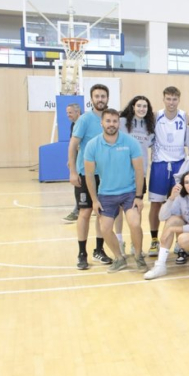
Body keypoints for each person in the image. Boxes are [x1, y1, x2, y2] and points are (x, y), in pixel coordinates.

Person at [83, 108, 145, 273]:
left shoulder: (130, 142)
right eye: (108, 121)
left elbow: (139, 171)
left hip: (129, 192)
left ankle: (139, 256)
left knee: (135, 223)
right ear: (101, 123)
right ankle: (119, 258)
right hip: (106, 194)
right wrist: (95, 200)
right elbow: (89, 175)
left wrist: (139, 196)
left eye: (115, 121)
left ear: (119, 123)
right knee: (104, 229)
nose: (111, 124)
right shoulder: (92, 145)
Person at [68, 84, 113, 270]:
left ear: (107, 99)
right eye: (97, 96)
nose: (100, 99)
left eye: (103, 96)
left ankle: (99, 250)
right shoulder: (85, 119)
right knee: (85, 212)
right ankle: (82, 253)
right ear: (91, 99)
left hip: (105, 176)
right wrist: (72, 171)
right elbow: (72, 146)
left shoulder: (110, 119)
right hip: (86, 174)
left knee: (102, 213)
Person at [143, 171, 189, 281]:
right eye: (186, 182)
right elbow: (162, 217)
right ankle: (160, 266)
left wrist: (172, 229)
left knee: (182, 238)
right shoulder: (181, 196)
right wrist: (171, 198)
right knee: (172, 220)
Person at [148, 86, 189, 257]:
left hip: (179, 165)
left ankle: (179, 243)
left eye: (174, 99)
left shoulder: (185, 116)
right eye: (168, 98)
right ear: (163, 99)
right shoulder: (156, 116)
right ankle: (154, 240)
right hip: (159, 164)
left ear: (178, 100)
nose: (171, 102)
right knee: (156, 204)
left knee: (179, 204)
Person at [114, 95, 155, 256]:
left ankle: (134, 244)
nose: (141, 109)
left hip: (140, 173)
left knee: (136, 209)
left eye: (145, 106)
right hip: (121, 172)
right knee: (118, 208)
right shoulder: (122, 122)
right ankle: (119, 241)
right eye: (139, 106)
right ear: (132, 107)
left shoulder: (150, 126)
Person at [63, 102, 82, 223]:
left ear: (77, 112)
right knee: (79, 184)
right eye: (67, 113)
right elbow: (73, 145)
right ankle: (79, 208)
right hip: (78, 159)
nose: (68, 115)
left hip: (86, 160)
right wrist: (71, 159)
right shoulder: (73, 125)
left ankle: (78, 210)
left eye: (70, 112)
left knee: (80, 184)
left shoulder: (83, 123)